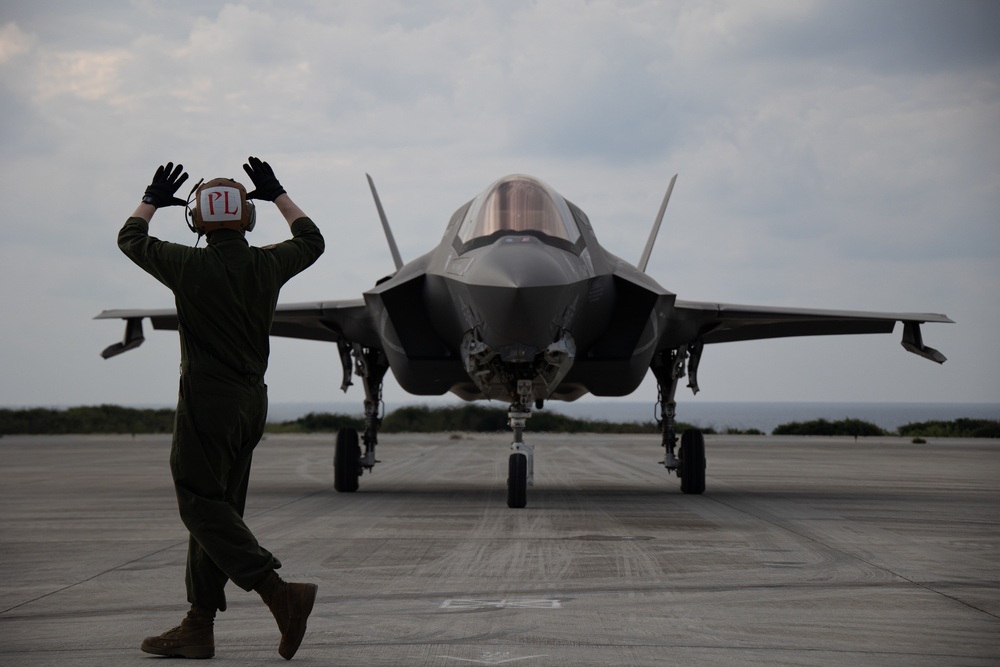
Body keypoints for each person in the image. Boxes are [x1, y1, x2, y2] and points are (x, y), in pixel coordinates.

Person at [118, 157, 325, 660]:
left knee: (198, 501)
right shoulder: (267, 263)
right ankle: (198, 625)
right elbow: (312, 240)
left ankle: (278, 592)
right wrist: (276, 193)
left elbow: (130, 238)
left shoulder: (187, 264)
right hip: (252, 402)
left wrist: (151, 199)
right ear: (247, 219)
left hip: (207, 400)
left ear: (196, 222)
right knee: (218, 511)